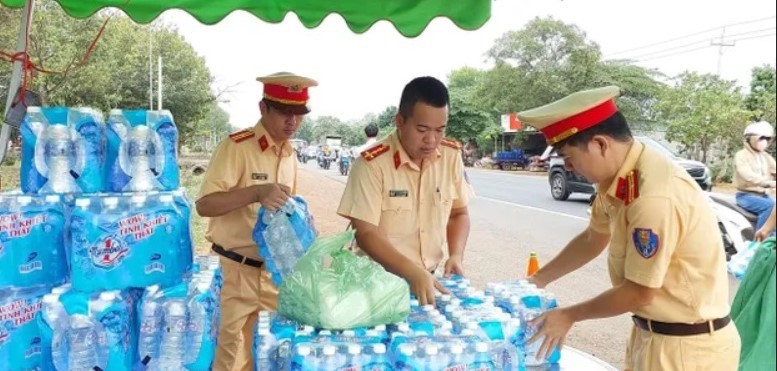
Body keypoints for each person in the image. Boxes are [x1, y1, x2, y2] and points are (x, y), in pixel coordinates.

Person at [517, 86, 740, 370]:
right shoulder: (619, 178)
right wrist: (538, 279)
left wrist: (569, 315)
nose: (569, 168)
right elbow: (592, 237)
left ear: (600, 144)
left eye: (570, 158)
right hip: (653, 335)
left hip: (687, 349)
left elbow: (639, 292)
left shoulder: (653, 194)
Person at [195, 72, 317, 371]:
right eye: (285, 112)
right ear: (263, 108)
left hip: (274, 276)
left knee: (268, 356)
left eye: (299, 114)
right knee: (226, 358)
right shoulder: (236, 147)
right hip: (234, 273)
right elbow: (204, 205)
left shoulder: (290, 155)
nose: (293, 121)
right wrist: (254, 193)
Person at [337, 76, 474, 306]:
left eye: (440, 130)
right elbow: (366, 233)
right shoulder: (372, 164)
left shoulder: (450, 157)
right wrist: (410, 271)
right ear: (400, 121)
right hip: (374, 287)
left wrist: (456, 255)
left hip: (426, 281)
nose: (431, 140)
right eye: (422, 129)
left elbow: (459, 213)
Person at [734, 121, 776, 231]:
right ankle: (760, 242)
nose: (764, 142)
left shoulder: (765, 156)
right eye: (761, 138)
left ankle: (773, 241)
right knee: (770, 207)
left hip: (763, 196)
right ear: (750, 139)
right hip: (745, 196)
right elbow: (747, 175)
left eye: (767, 139)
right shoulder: (741, 155)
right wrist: (768, 182)